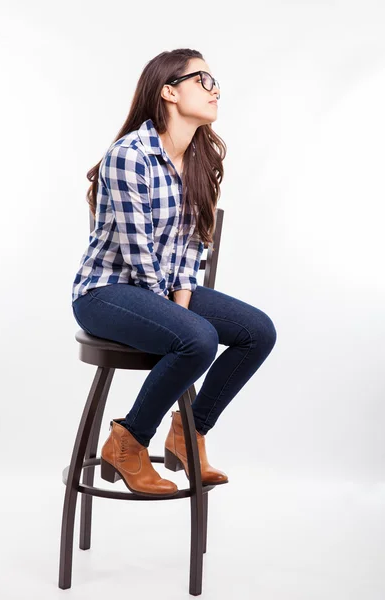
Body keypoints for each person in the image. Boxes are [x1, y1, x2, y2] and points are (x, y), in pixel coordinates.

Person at [71, 48, 277, 498]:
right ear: (169, 91)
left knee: (258, 331)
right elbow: (135, 247)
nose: (215, 89)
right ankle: (128, 442)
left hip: (159, 290)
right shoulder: (130, 155)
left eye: (215, 81)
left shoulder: (198, 161)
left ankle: (189, 432)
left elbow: (189, 247)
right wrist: (177, 316)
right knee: (198, 337)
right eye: (203, 79)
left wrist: (180, 301)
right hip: (105, 292)